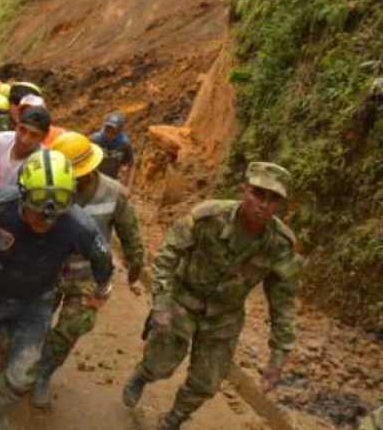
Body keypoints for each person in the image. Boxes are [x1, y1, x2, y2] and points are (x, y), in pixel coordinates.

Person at [122, 162, 302, 430]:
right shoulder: (207, 217)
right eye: (257, 194)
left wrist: (278, 356)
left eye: (273, 199)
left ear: (280, 205)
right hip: (183, 299)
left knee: (206, 382)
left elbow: (284, 302)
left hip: (224, 316)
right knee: (160, 364)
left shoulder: (280, 245)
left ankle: (174, 419)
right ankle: (142, 375)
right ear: (244, 190)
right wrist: (161, 304)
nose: (263, 204)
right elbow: (167, 257)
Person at [0, 149, 115, 430]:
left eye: (53, 216)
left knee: (23, 373)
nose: (44, 222)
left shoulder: (79, 226)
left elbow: (103, 260)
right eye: (37, 213)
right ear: (22, 195)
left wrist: (102, 292)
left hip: (35, 302)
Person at [31, 131, 146, 408]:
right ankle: (23, 361)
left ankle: (43, 374)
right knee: (34, 320)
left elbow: (130, 234)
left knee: (73, 326)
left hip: (87, 275)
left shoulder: (113, 193)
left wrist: (135, 267)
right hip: (48, 268)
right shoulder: (48, 186)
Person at [0, 106, 51, 186]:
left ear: (44, 136)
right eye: (22, 130)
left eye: (34, 135)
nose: (24, 140)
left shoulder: (45, 163)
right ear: (16, 126)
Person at [90, 112, 135, 184]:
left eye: (113, 131)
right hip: (93, 179)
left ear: (119, 131)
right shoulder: (95, 140)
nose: (109, 133)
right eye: (107, 129)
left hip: (111, 181)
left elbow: (131, 165)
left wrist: (128, 187)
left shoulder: (124, 144)